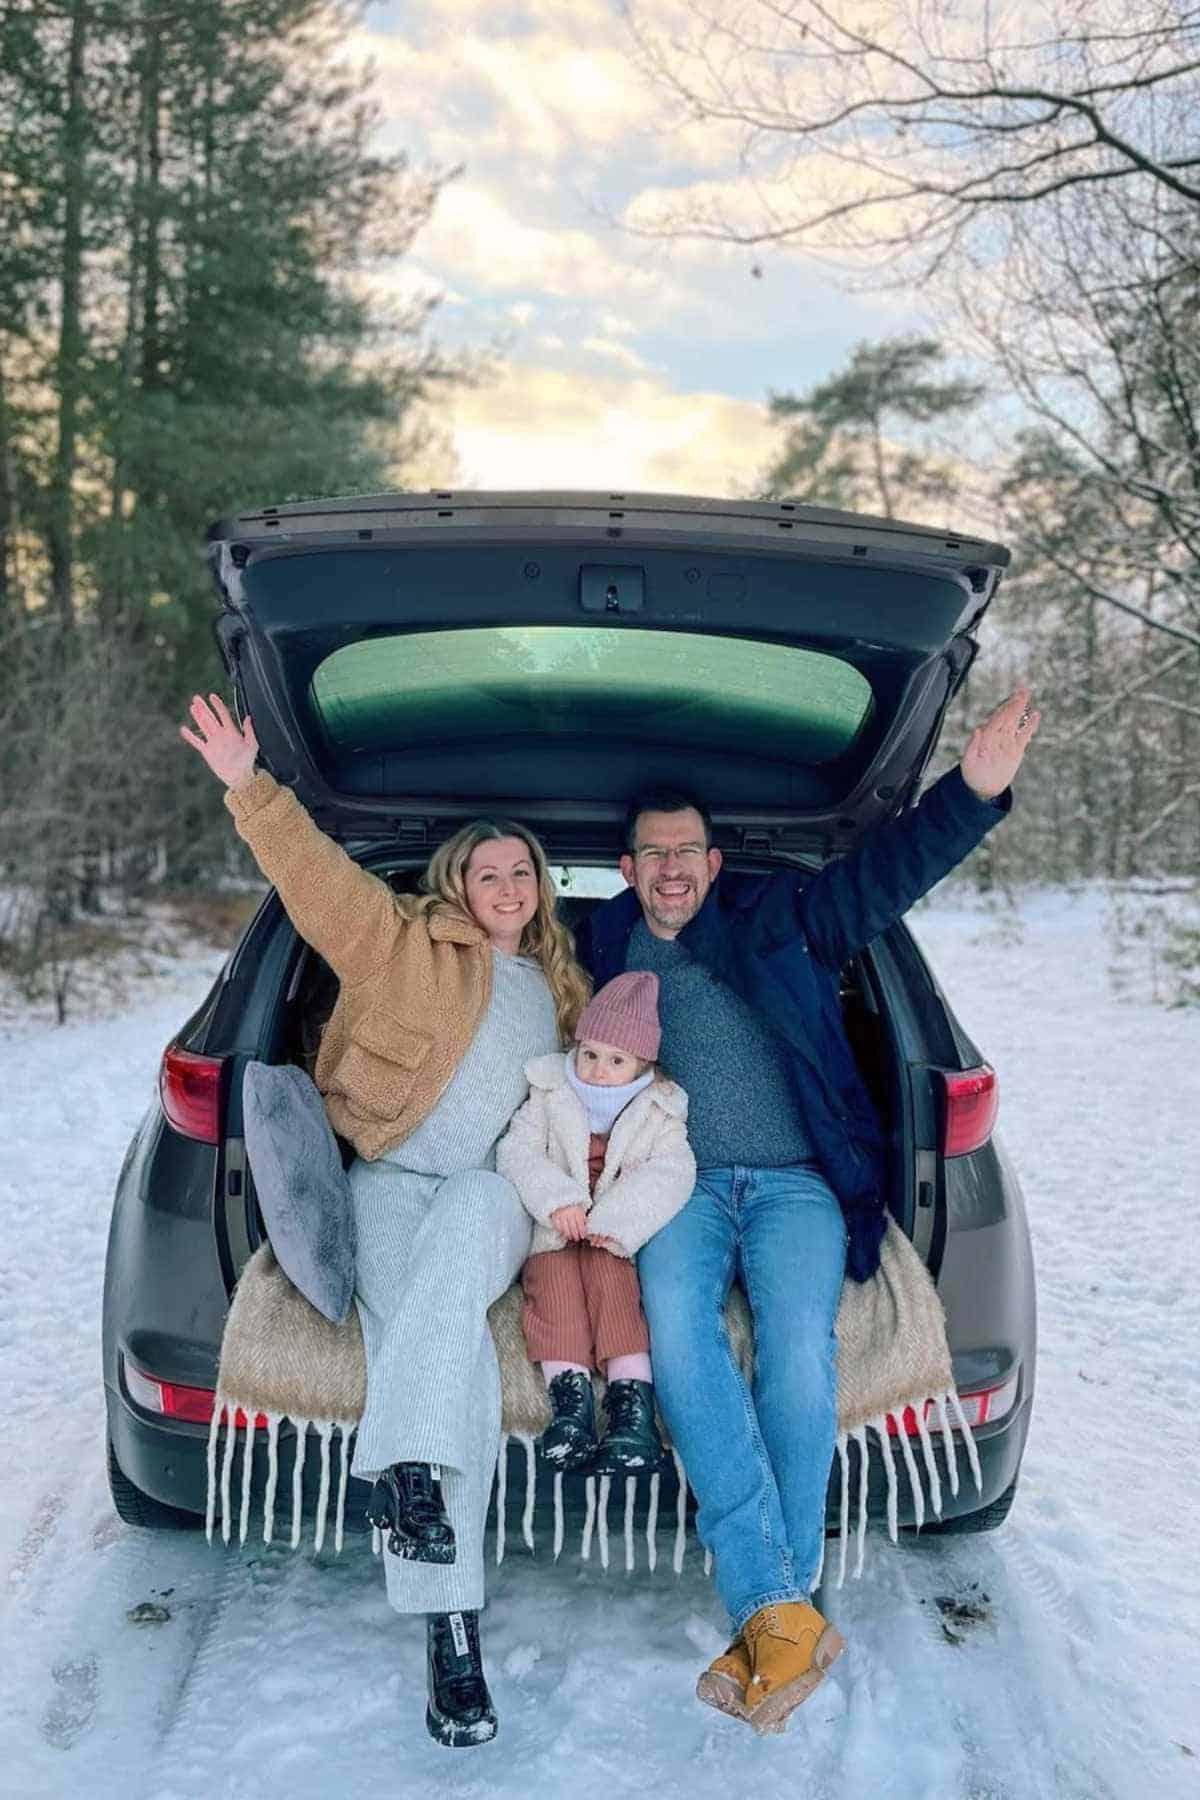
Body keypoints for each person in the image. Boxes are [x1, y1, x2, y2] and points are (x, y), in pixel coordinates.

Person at [574, 686, 1041, 1735]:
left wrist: (971, 792)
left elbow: (886, 876)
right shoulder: (597, 947)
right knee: (685, 1344)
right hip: (678, 1187)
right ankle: (785, 1606)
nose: (672, 867)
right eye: (652, 853)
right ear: (629, 869)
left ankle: (770, 1608)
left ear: (714, 863)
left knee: (795, 1349)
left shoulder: (784, 923)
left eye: (688, 850)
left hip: (796, 1184)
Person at [180, 693, 590, 1750]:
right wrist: (246, 786)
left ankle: (403, 1473)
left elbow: (610, 1091)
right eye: (487, 871)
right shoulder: (401, 945)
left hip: (497, 1190)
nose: (508, 885)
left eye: (522, 872)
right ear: (455, 885)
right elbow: (315, 881)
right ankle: (449, 1620)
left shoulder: (562, 988)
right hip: (387, 1179)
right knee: (439, 1341)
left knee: (456, 1274)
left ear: (539, 888)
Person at [496, 971, 695, 1474]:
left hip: (612, 1234)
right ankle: (571, 1404)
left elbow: (671, 1173)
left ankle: (632, 1409)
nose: (599, 1070)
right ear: (577, 1045)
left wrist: (617, 1220)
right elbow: (516, 1152)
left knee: (617, 1292)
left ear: (642, 1065)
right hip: (556, 1229)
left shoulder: (660, 1109)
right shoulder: (548, 1090)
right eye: (590, 1054)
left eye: (616, 1061)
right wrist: (557, 1199)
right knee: (554, 1289)